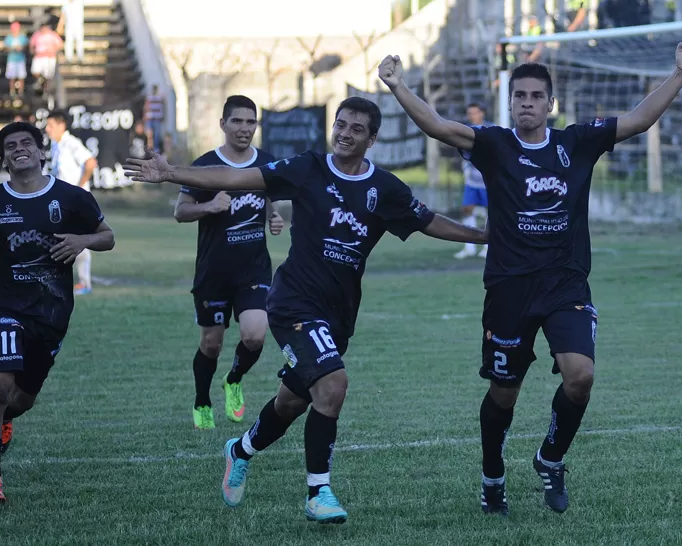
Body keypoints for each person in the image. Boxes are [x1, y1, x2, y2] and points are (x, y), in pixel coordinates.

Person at [125, 96, 487, 524]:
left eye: (356, 129)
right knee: (333, 385)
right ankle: (319, 492)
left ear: (372, 139)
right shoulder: (308, 169)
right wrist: (171, 173)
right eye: (340, 124)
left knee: (291, 403)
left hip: (339, 313)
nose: (344, 133)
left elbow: (429, 220)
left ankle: (240, 449)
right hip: (293, 301)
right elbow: (238, 177)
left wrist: (485, 238)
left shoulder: (385, 189)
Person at [378, 42, 682, 515]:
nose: (527, 103)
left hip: (565, 283)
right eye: (519, 96)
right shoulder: (494, 145)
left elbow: (637, 121)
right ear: (510, 103)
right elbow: (438, 126)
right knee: (504, 393)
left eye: (535, 96)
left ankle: (550, 457)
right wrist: (399, 86)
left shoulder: (577, 142)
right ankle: (492, 476)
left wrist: (680, 74)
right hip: (509, 287)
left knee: (581, 376)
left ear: (551, 104)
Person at [0, 121, 115, 504]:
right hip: (3, 306)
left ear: (43, 153)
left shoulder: (71, 198)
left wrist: (82, 240)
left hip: (51, 313)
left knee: (22, 399)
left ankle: (6, 421)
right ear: (4, 158)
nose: (20, 148)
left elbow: (108, 236)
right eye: (11, 145)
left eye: (28, 143)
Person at [174, 95, 285, 429]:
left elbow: (268, 198)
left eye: (251, 122)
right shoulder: (205, 164)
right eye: (237, 121)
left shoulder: (267, 163)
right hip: (213, 272)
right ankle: (202, 399)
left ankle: (234, 379)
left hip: (253, 269)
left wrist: (274, 217)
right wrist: (208, 207)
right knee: (211, 343)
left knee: (255, 336)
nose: (244, 128)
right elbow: (180, 211)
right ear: (222, 124)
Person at [44, 109, 98, 295]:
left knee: (76, 240)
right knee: (58, 238)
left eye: (51, 125)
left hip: (76, 202)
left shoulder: (71, 143)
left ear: (61, 126)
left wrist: (79, 188)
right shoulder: (56, 145)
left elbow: (91, 162)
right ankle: (61, 278)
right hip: (63, 201)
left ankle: (84, 283)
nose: (47, 129)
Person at [454, 102, 489, 260]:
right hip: (472, 180)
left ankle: (489, 246)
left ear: (482, 113)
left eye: (475, 112)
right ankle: (469, 247)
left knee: (492, 212)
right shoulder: (465, 131)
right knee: (467, 209)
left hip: (487, 180)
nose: (472, 116)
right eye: (469, 113)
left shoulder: (491, 129)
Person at [3, 21, 28, 97]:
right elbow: (5, 48)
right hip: (11, 59)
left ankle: (21, 92)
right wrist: (12, 48)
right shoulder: (9, 38)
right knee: (11, 77)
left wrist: (20, 48)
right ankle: (12, 92)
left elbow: (26, 46)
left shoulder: (22, 37)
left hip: (20, 59)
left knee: (21, 77)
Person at [143, 84, 165, 152]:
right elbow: (146, 107)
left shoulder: (160, 97)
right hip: (150, 119)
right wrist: (145, 116)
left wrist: (163, 117)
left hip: (157, 119)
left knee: (156, 135)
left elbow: (163, 107)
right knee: (149, 135)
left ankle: (156, 149)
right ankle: (149, 148)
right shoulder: (149, 97)